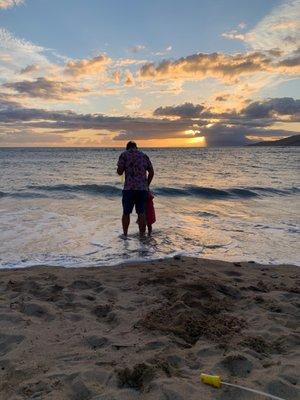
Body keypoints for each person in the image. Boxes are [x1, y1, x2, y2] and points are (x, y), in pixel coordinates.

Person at [117, 141, 154, 237]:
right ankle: (142, 235)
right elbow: (151, 172)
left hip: (129, 188)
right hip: (142, 189)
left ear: (127, 148)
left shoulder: (124, 155)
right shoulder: (144, 155)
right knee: (141, 212)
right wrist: (147, 185)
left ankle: (125, 235)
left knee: (126, 213)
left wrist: (120, 168)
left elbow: (120, 172)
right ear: (136, 147)